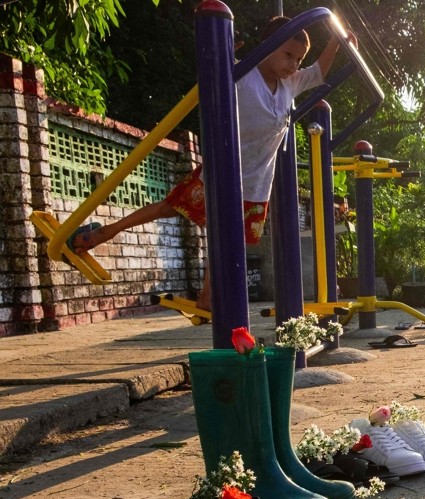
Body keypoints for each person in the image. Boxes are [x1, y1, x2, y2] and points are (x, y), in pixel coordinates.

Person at [70, 17, 341, 312]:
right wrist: (224, 53)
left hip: (256, 182)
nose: (293, 64)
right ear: (267, 46)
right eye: (288, 54)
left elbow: (318, 72)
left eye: (298, 58)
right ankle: (106, 232)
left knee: (231, 238)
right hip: (225, 170)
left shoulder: (289, 84)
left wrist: (338, 39)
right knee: (170, 207)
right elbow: (212, 75)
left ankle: (208, 297)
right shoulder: (241, 73)